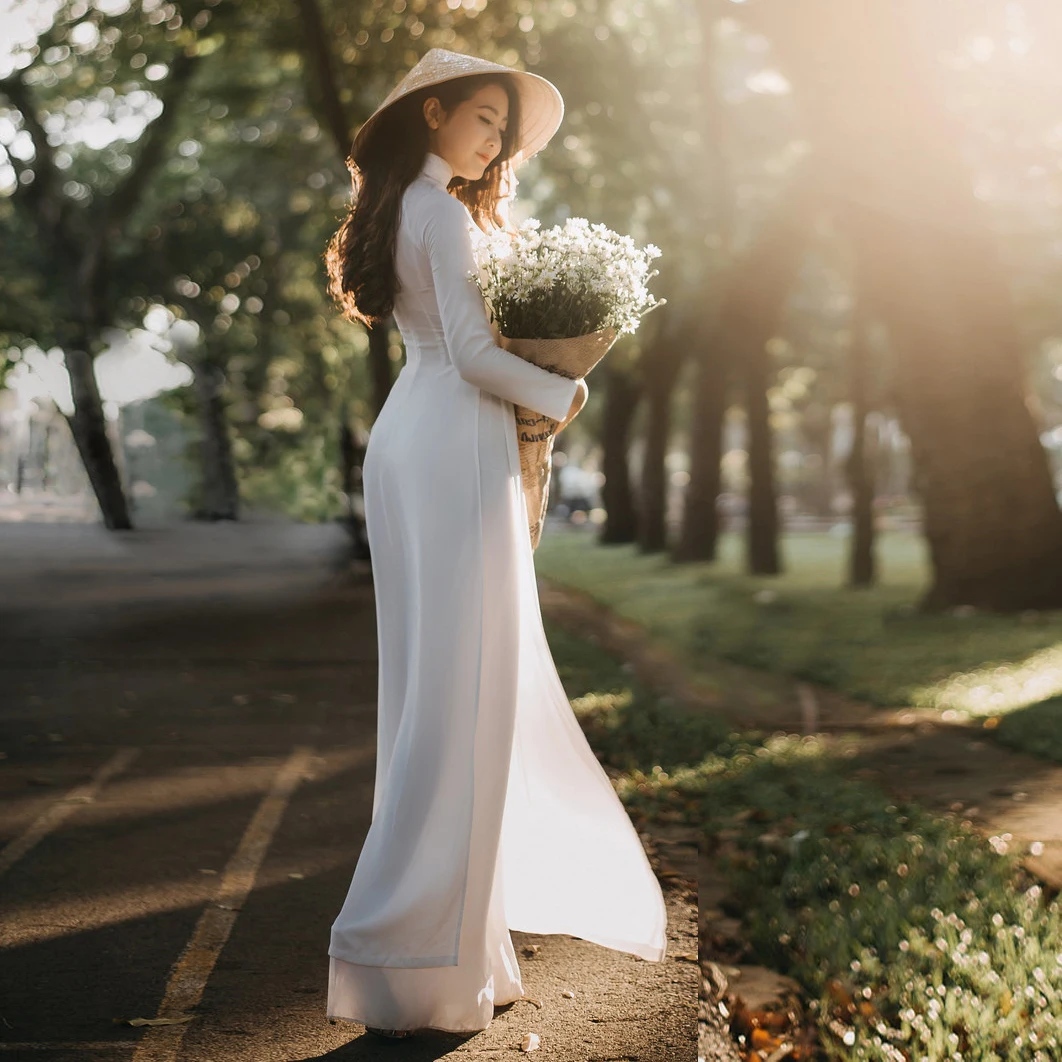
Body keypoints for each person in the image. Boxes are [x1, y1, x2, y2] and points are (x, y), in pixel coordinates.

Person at [322, 47, 667, 1039]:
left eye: (500, 132)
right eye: (481, 118)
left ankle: (462, 954)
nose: (492, 141)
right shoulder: (436, 212)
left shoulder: (417, 207)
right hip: (448, 445)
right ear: (430, 111)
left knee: (444, 693)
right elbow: (475, 353)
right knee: (460, 696)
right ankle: (410, 955)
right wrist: (567, 391)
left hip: (419, 439)